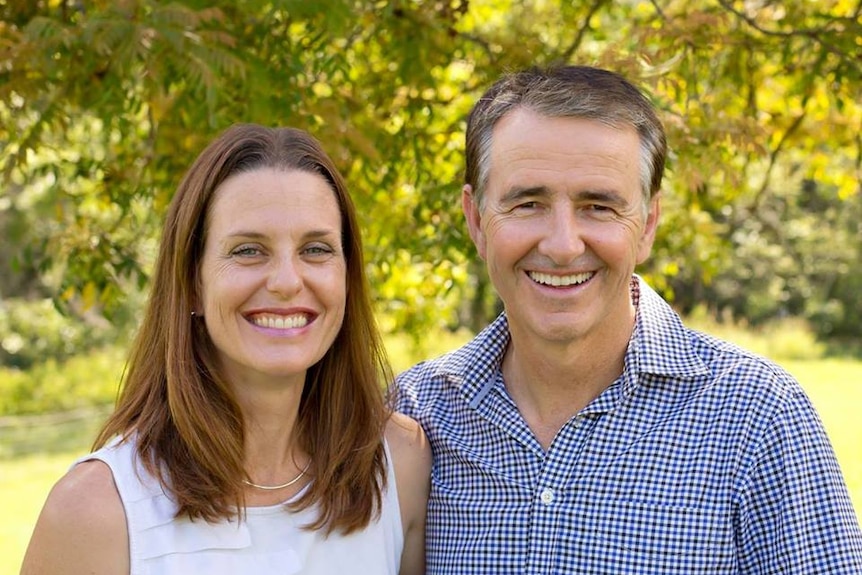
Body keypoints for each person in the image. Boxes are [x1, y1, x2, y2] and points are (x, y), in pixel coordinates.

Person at [394, 65, 862, 573]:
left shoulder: (759, 419)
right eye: (528, 203)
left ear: (648, 224)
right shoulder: (416, 417)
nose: (563, 245)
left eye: (598, 206)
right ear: (476, 220)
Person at [21, 124, 430, 575]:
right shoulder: (95, 512)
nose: (287, 281)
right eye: (249, 250)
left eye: (315, 249)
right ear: (193, 283)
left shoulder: (398, 464)